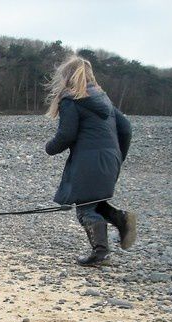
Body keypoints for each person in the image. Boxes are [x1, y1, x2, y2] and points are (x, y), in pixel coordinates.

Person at [44, 55, 137, 266]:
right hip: (111, 158)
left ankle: (101, 252)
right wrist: (118, 156)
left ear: (66, 77)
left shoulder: (71, 99)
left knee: (85, 208)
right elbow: (126, 129)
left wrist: (50, 148)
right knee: (93, 200)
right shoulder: (102, 98)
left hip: (89, 161)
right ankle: (121, 220)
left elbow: (67, 134)